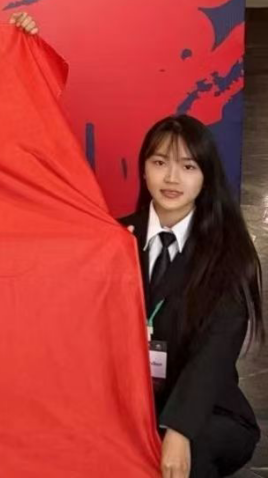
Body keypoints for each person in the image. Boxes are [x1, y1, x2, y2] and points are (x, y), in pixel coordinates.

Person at [121, 116, 261, 478]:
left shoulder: (228, 252)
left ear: (205, 177)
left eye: (188, 166)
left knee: (186, 455)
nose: (171, 178)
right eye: (159, 162)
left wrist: (179, 428)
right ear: (144, 171)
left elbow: (217, 350)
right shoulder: (116, 238)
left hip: (208, 408)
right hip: (128, 405)